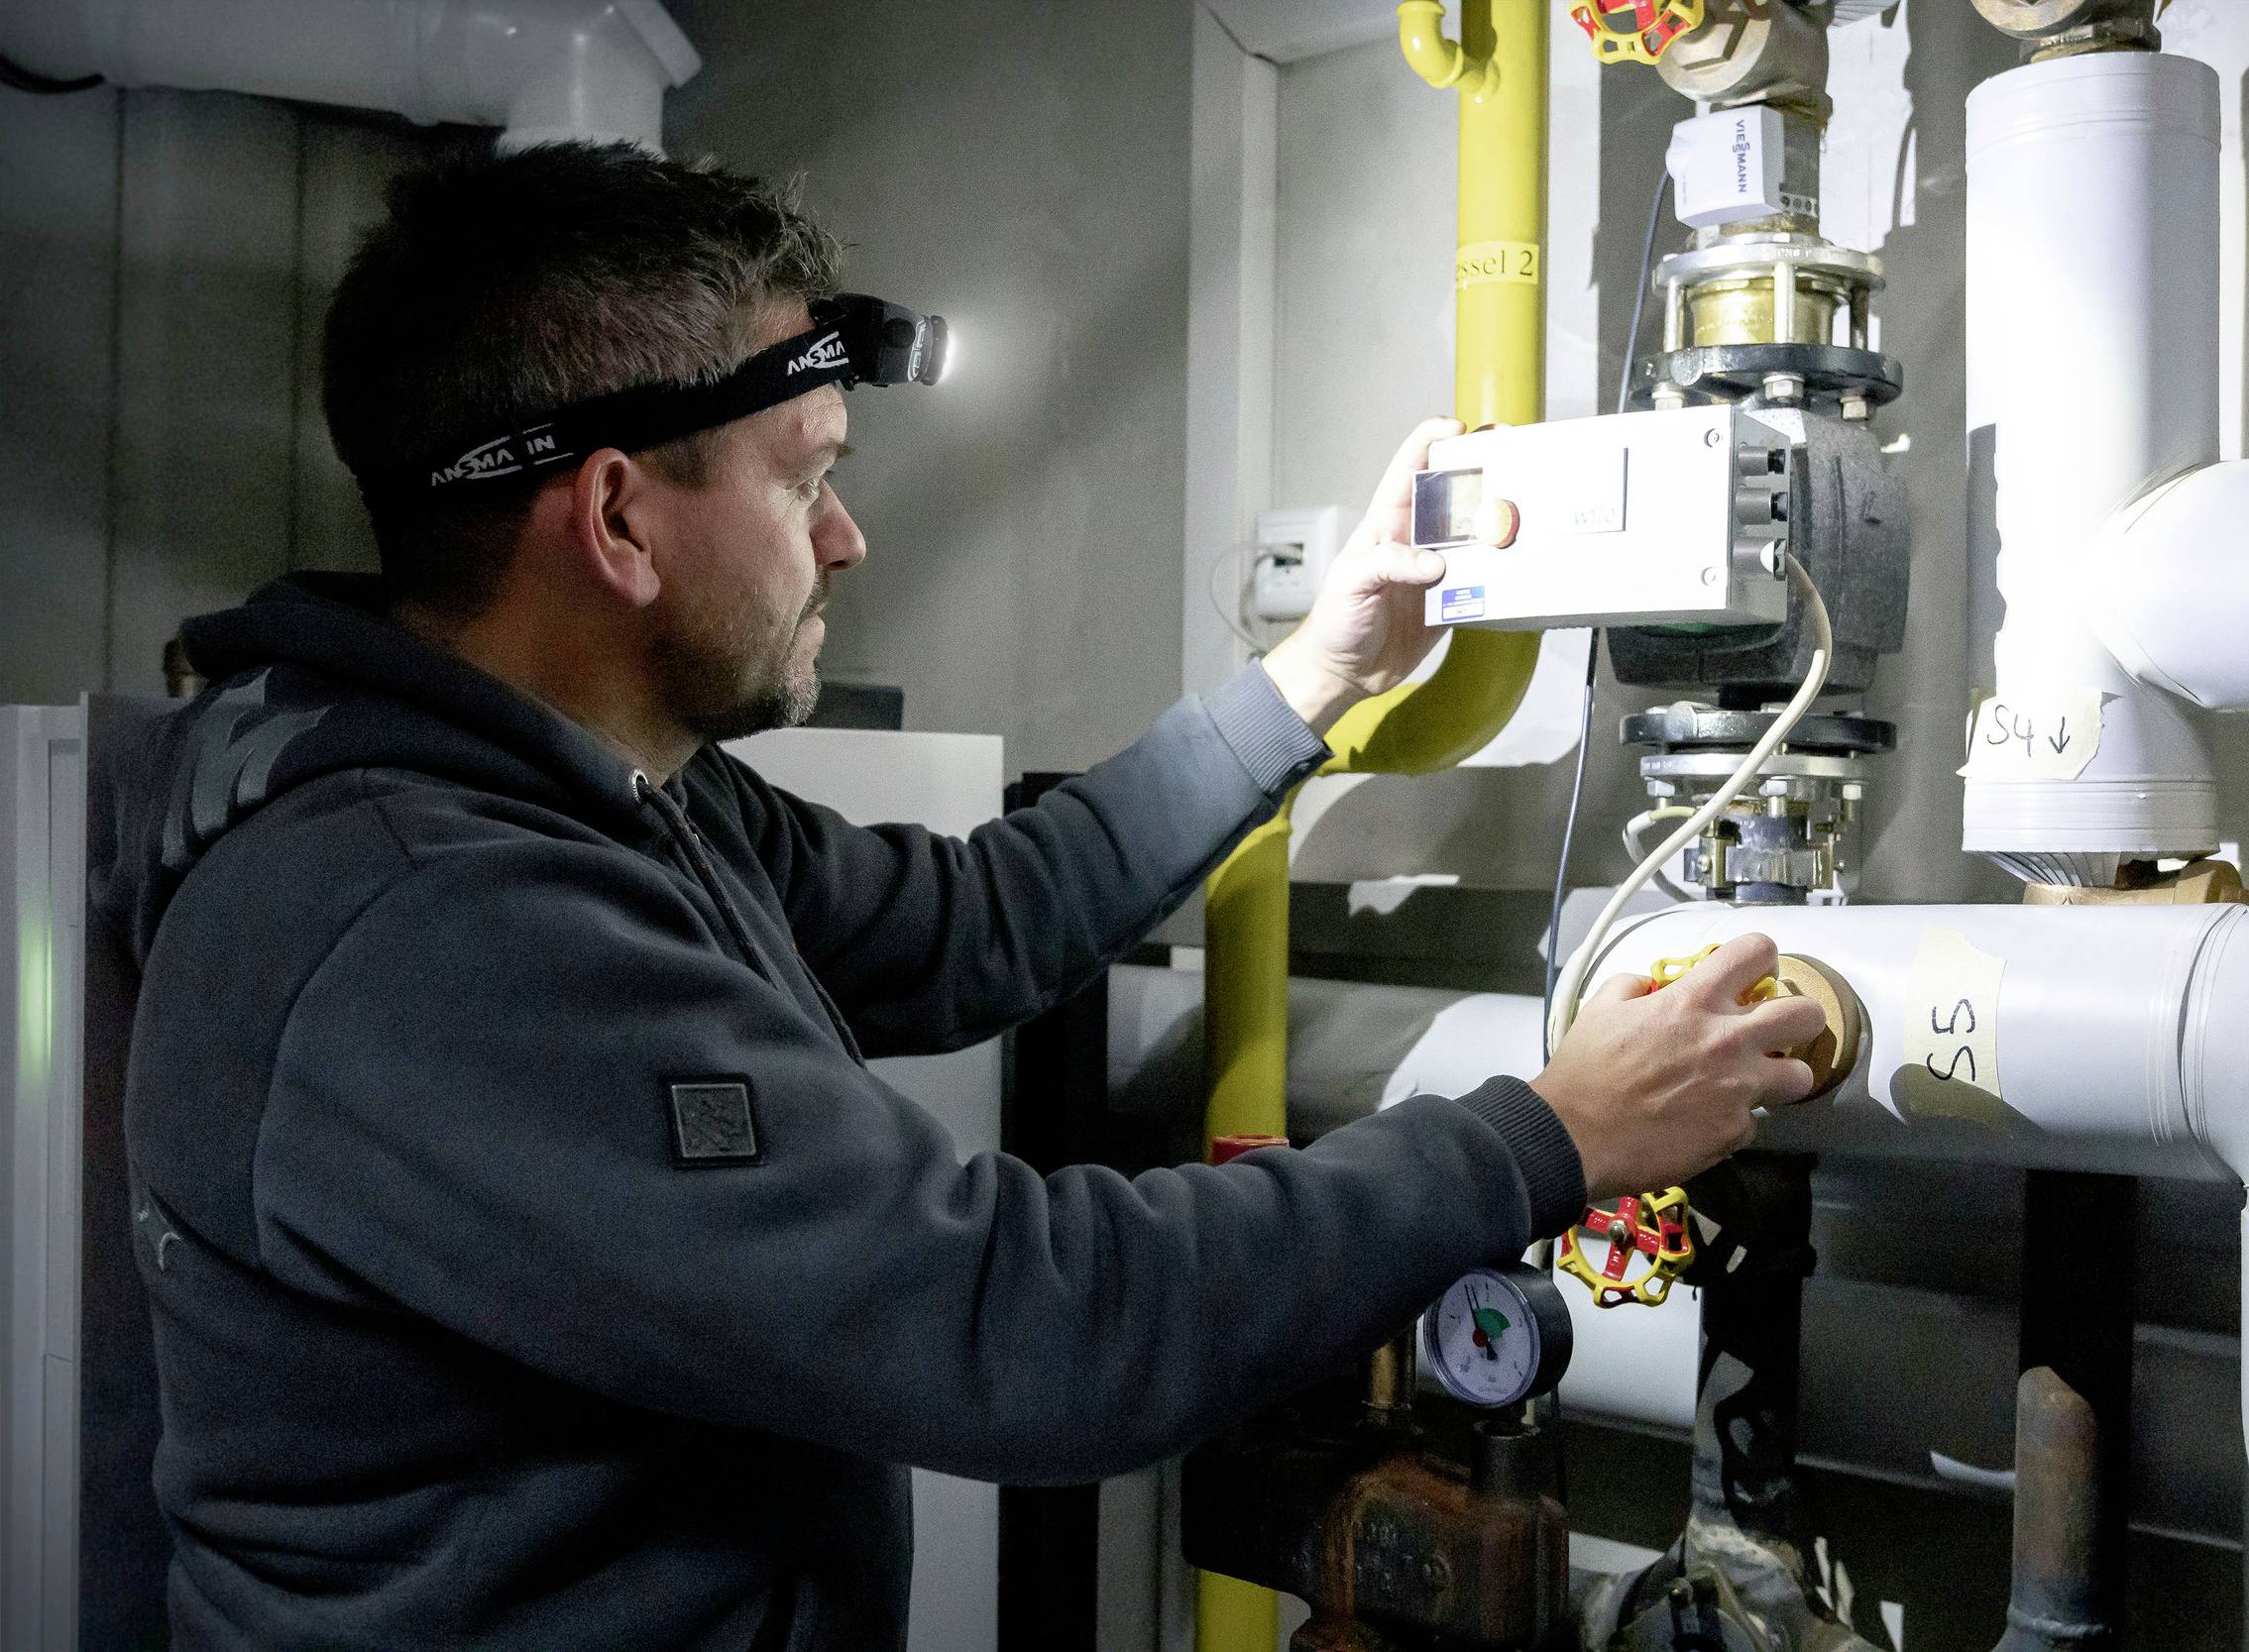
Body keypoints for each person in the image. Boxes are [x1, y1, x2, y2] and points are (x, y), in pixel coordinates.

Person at [91, 143, 1827, 1652]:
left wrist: (1318, 674)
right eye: (807, 476)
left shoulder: (607, 795)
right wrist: (1550, 1133)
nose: (844, 538)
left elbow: (970, 921)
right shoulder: (428, 933)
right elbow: (1022, 1324)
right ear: (618, 517)